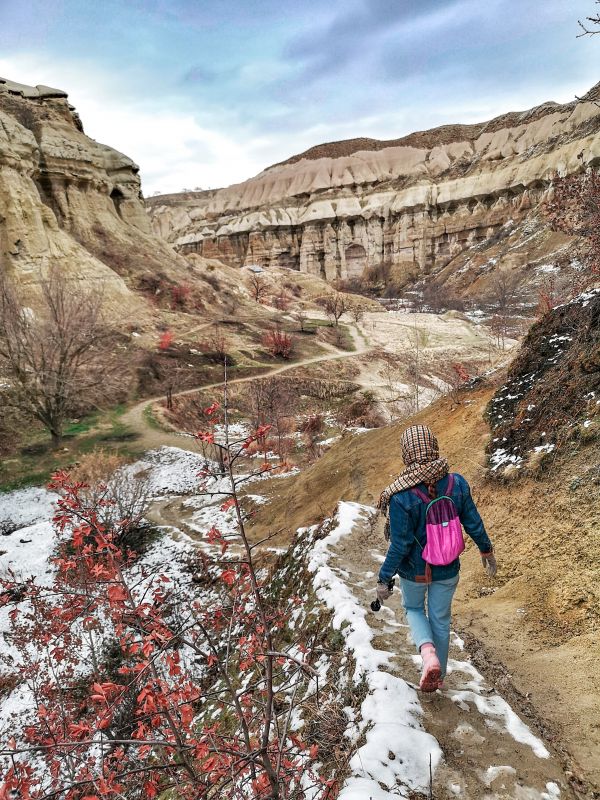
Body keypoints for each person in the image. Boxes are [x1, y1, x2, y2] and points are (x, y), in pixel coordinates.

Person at [376, 424, 496, 692]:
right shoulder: (457, 483)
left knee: (414, 609)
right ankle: (438, 677)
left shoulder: (400, 495)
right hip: (448, 567)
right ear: (433, 446)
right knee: (440, 620)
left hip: (414, 571)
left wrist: (384, 577)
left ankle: (428, 654)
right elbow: (473, 522)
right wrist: (486, 549)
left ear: (407, 453)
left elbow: (400, 545)